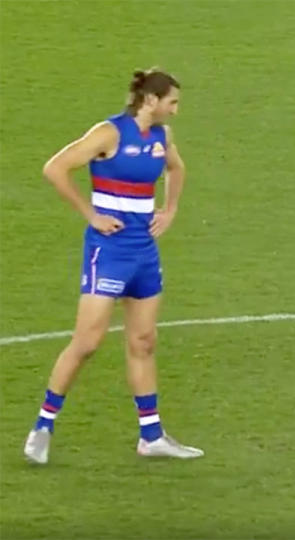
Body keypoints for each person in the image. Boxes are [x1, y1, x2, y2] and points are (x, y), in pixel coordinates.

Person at [23, 68, 203, 464]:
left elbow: (178, 169)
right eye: (172, 102)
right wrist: (90, 214)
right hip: (109, 252)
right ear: (150, 100)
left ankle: (151, 437)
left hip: (144, 252)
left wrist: (170, 210)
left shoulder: (161, 137)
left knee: (143, 341)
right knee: (87, 342)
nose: (176, 111)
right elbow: (55, 168)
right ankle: (43, 426)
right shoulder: (109, 134)